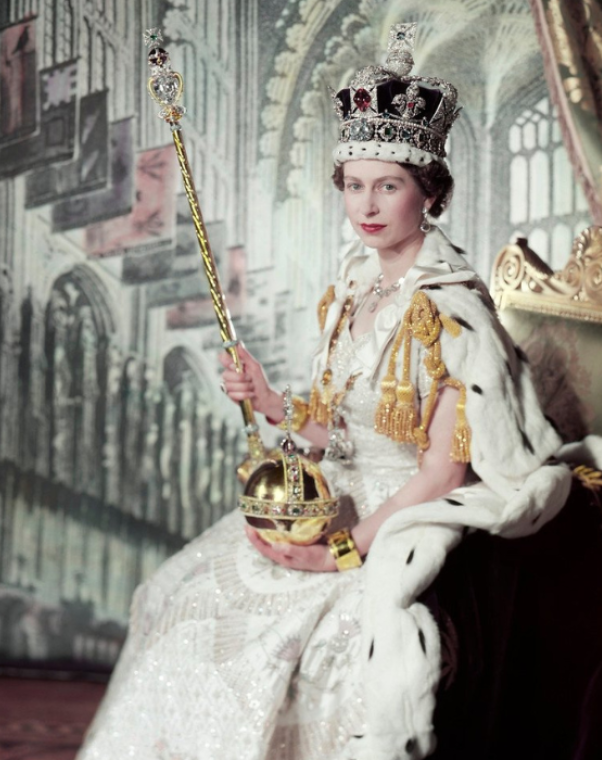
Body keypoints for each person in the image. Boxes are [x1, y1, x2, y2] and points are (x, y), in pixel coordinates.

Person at [78, 24, 570, 760]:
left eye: (389, 185)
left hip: (400, 517)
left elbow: (443, 472)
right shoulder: (351, 289)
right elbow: (327, 429)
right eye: (354, 184)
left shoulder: (455, 313)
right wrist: (271, 401)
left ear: (427, 193)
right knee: (174, 595)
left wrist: (344, 552)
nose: (367, 205)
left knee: (319, 652)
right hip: (325, 491)